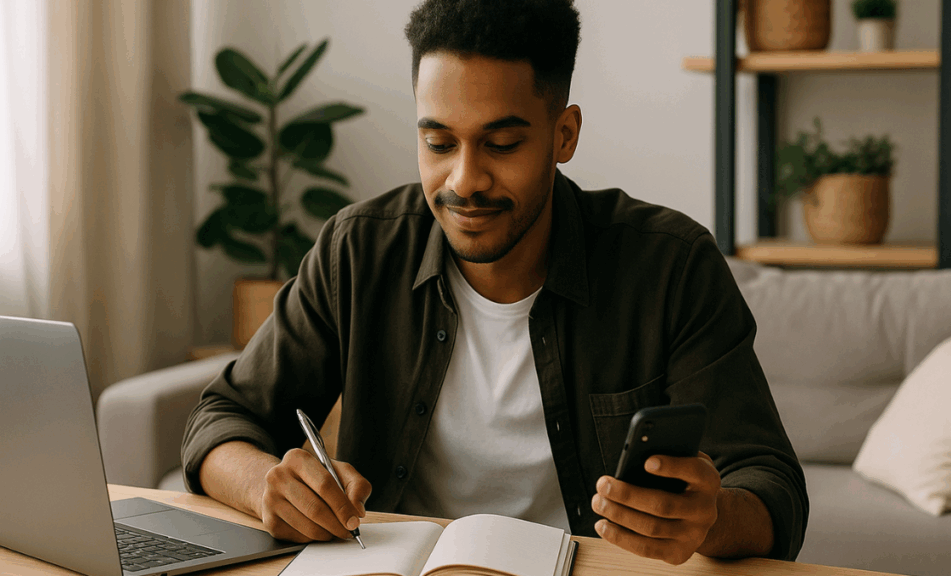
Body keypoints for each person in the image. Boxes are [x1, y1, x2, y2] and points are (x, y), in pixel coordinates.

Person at [182, 0, 808, 565]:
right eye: (439, 142)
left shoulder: (670, 267)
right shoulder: (359, 250)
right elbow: (222, 420)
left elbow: (770, 486)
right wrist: (268, 482)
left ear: (564, 135)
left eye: (502, 144)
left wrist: (710, 519)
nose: (464, 180)